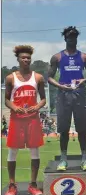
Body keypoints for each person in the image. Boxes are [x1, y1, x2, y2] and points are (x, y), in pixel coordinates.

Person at [48, 26, 86, 171]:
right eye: (70, 36)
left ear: (77, 38)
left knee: (82, 130)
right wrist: (61, 86)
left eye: (74, 36)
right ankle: (63, 160)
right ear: (65, 38)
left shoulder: (84, 57)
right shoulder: (57, 57)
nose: (72, 39)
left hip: (79, 93)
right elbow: (49, 77)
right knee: (64, 129)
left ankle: (84, 159)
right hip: (63, 94)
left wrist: (85, 81)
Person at [5, 45, 46, 195]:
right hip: (17, 119)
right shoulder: (11, 78)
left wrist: (36, 107)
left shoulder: (38, 77)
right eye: (23, 57)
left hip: (32, 119)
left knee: (34, 151)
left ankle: (33, 184)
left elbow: (43, 99)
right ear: (18, 59)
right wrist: (14, 107)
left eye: (28, 57)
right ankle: (11, 185)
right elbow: (6, 100)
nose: (26, 60)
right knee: (12, 151)